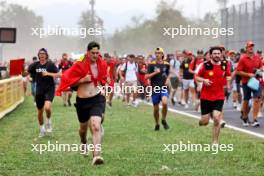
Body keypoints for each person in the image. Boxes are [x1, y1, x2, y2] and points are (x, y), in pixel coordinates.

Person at [56, 41, 107, 165]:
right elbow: (70, 82)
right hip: (82, 101)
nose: (95, 55)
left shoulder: (102, 64)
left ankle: (96, 156)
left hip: (96, 99)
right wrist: (83, 80)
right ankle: (83, 143)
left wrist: (103, 88)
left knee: (95, 126)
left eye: (97, 53)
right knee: (83, 129)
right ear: (88, 52)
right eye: (93, 53)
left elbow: (103, 80)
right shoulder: (79, 64)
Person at [195, 46, 231, 144]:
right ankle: (202, 121)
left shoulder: (224, 64)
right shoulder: (205, 65)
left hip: (219, 96)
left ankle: (215, 142)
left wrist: (228, 84)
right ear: (211, 55)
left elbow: (228, 75)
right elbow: (196, 77)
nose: (217, 55)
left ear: (221, 54)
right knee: (205, 121)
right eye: (214, 54)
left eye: (218, 53)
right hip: (206, 96)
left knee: (216, 117)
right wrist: (204, 80)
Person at [28, 48, 60, 137]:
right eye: (40, 53)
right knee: (40, 111)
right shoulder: (35, 65)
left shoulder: (50, 65)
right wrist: (28, 76)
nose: (42, 55)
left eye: (43, 53)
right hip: (39, 90)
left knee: (47, 108)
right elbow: (28, 73)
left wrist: (48, 74)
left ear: (46, 55)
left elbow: (60, 74)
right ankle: (42, 129)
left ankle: (49, 121)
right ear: (38, 55)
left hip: (49, 89)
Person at [236, 41, 263, 127]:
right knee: (246, 100)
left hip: (256, 81)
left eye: (252, 46)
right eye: (249, 46)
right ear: (246, 48)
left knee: (257, 99)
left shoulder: (257, 57)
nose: (251, 48)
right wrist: (248, 74)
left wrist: (260, 70)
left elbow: (261, 66)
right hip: (246, 82)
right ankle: (244, 117)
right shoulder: (243, 59)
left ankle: (255, 119)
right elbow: (238, 71)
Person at [145, 47, 170, 131]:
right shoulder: (151, 64)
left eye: (159, 53)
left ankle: (163, 119)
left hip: (163, 87)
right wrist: (155, 72)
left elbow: (168, 74)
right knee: (156, 109)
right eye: (156, 53)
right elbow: (146, 76)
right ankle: (157, 123)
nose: (157, 54)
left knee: (165, 103)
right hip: (155, 88)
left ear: (162, 54)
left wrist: (167, 79)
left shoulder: (166, 64)